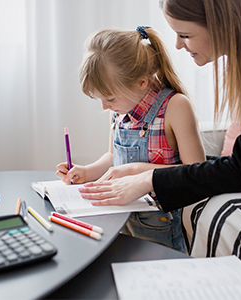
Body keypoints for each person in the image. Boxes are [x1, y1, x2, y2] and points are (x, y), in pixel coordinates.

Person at [78, 0, 241, 282]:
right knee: (200, 202)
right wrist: (147, 171)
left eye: (185, 35)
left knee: (227, 217)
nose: (176, 45)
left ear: (224, 25)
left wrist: (150, 180)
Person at [56, 26, 205, 253]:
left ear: (142, 83)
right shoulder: (120, 110)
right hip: (122, 218)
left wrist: (136, 169)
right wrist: (87, 172)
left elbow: (197, 172)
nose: (104, 107)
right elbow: (113, 158)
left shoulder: (175, 107)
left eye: (109, 98)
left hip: (161, 225)